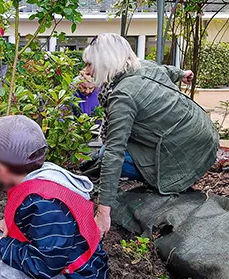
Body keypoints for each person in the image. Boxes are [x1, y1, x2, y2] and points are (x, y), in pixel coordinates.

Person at [83, 33, 219, 237]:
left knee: (104, 154)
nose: (87, 71)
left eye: (90, 64)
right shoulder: (143, 66)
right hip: (205, 136)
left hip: (185, 151)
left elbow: (115, 152)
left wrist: (103, 212)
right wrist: (182, 73)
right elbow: (165, 70)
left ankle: (171, 178)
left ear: (105, 63)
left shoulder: (123, 95)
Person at [0, 115, 109, 279]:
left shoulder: (43, 205)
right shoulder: (42, 178)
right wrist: (8, 223)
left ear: (3, 169)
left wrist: (3, 246)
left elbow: (44, 266)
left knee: (4, 275)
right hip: (74, 270)